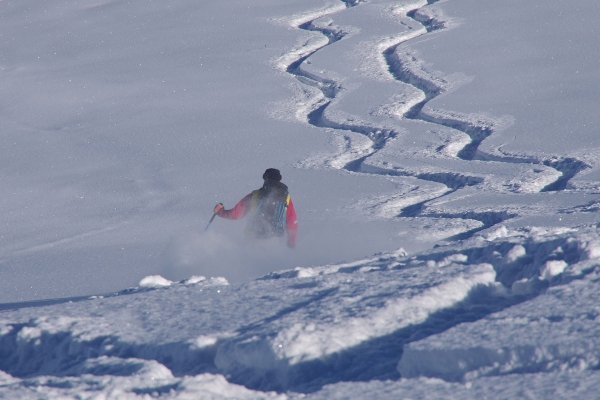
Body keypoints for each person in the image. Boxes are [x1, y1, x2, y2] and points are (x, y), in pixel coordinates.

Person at [213, 168, 297, 248]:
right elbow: (292, 221)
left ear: (265, 180)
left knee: (249, 261)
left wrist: (219, 211)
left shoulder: (255, 195)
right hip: (274, 239)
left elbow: (235, 215)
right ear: (280, 180)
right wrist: (291, 241)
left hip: (253, 238)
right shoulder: (286, 198)